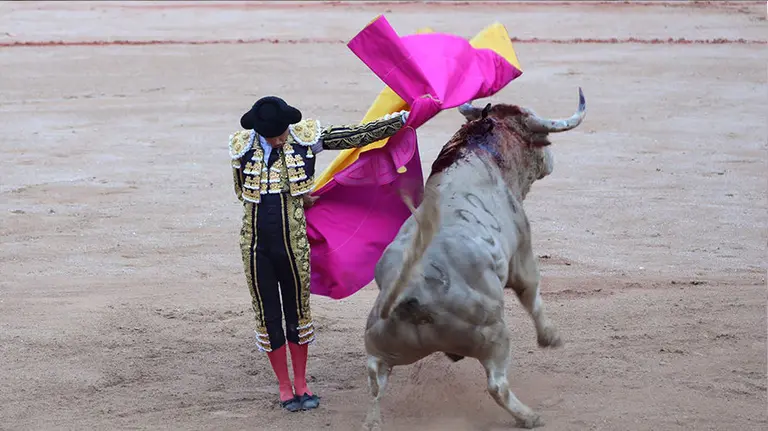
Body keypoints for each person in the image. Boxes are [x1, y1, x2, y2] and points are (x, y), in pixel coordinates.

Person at [228, 96, 409, 412]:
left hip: (294, 243)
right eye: (274, 135)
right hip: (255, 247)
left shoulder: (304, 138)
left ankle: (301, 383)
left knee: (298, 312)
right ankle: (285, 387)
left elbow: (352, 136)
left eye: (283, 132)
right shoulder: (241, 147)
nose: (281, 139)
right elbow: (242, 194)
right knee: (268, 315)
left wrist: (395, 122)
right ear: (259, 131)